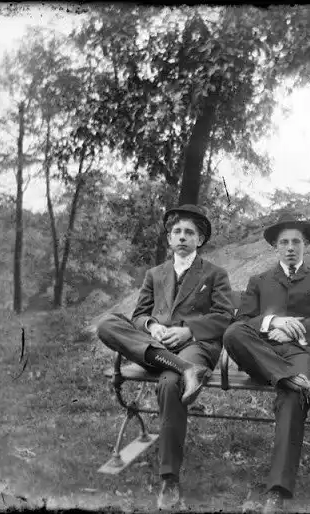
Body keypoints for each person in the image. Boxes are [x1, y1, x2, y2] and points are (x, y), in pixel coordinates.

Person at [97, 204, 234, 510]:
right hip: (156, 345)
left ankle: (169, 478)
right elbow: (139, 315)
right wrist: (152, 326)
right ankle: (187, 370)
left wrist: (188, 331)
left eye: (190, 233)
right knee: (107, 324)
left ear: (200, 239)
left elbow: (225, 317)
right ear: (169, 239)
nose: (182, 237)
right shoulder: (155, 274)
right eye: (177, 232)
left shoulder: (215, 274)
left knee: (170, 384)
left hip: (195, 345)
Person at [223, 213, 310, 513]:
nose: (290, 247)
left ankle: (277, 490)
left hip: (303, 353)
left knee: (291, 396)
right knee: (233, 333)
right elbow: (242, 321)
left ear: (305, 246)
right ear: (275, 247)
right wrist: (273, 322)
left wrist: (295, 328)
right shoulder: (259, 281)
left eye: (296, 242)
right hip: (263, 354)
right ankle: (307, 386)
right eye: (284, 242)